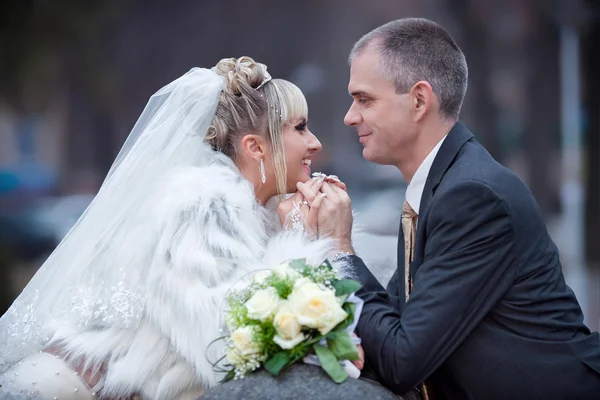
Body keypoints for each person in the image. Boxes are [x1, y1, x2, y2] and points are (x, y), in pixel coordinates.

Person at [0, 57, 351, 399]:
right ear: (255, 147)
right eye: (301, 127)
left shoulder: (258, 210)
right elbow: (223, 346)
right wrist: (310, 242)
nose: (315, 143)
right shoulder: (200, 206)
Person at [297, 18, 600, 399]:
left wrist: (340, 247)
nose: (349, 116)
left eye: (364, 99)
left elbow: (402, 359)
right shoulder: (439, 189)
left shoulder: (472, 196)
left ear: (420, 100)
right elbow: (394, 325)